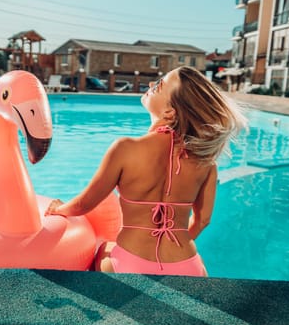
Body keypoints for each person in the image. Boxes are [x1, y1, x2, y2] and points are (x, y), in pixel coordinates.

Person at [45, 66, 247, 276]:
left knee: (103, 249)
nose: (151, 85)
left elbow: (84, 204)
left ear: (170, 112)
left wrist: (59, 209)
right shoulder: (206, 161)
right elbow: (203, 221)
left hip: (131, 263)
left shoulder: (125, 148)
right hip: (188, 266)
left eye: (159, 85)